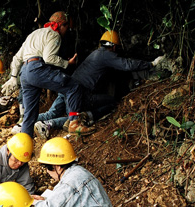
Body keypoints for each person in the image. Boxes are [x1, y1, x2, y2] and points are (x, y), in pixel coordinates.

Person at [34, 30, 163, 139]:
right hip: (79, 94)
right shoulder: (107, 55)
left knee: (51, 112)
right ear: (114, 46)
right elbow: (127, 64)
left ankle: (24, 122)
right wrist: (151, 64)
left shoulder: (96, 54)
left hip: (67, 88)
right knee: (107, 104)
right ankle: (50, 124)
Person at [1, 11, 93, 137]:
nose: (67, 30)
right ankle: (74, 124)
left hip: (24, 72)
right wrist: (67, 63)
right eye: (67, 27)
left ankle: (24, 145)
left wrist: (13, 77)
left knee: (30, 114)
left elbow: (17, 58)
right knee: (74, 86)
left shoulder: (33, 34)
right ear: (61, 25)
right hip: (36, 69)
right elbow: (49, 58)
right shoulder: (54, 35)